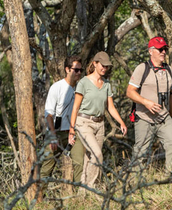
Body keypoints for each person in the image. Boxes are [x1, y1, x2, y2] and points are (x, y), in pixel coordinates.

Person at [68, 51, 127, 190]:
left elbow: (110, 107)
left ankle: (83, 194)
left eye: (107, 66)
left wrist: (121, 122)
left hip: (99, 124)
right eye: (102, 65)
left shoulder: (106, 84)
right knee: (97, 154)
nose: (104, 68)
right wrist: (71, 129)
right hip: (84, 123)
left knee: (90, 158)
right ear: (95, 63)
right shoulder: (83, 82)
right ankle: (92, 189)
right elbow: (75, 108)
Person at [126, 36, 172, 172]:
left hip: (164, 117)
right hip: (144, 117)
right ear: (151, 51)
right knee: (141, 153)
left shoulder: (168, 69)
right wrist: (146, 103)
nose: (163, 52)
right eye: (160, 49)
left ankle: (171, 180)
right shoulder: (142, 68)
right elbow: (130, 92)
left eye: (165, 49)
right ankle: (135, 185)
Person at [40, 55, 86, 193]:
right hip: (57, 132)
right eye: (75, 70)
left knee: (79, 163)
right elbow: (48, 114)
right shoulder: (57, 87)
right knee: (47, 167)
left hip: (74, 132)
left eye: (80, 70)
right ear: (67, 69)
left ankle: (80, 198)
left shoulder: (81, 87)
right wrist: (53, 135)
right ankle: (38, 198)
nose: (78, 73)